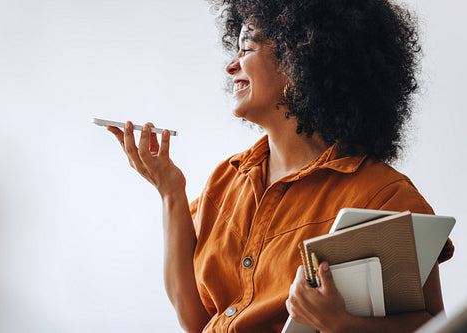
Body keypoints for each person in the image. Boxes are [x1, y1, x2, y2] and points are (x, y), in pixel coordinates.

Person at [107, 0, 454, 332]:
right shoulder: (225, 181)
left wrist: (342, 325)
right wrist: (170, 192)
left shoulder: (382, 196)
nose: (231, 65)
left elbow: (434, 326)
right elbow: (193, 321)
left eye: (247, 48)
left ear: (301, 56)